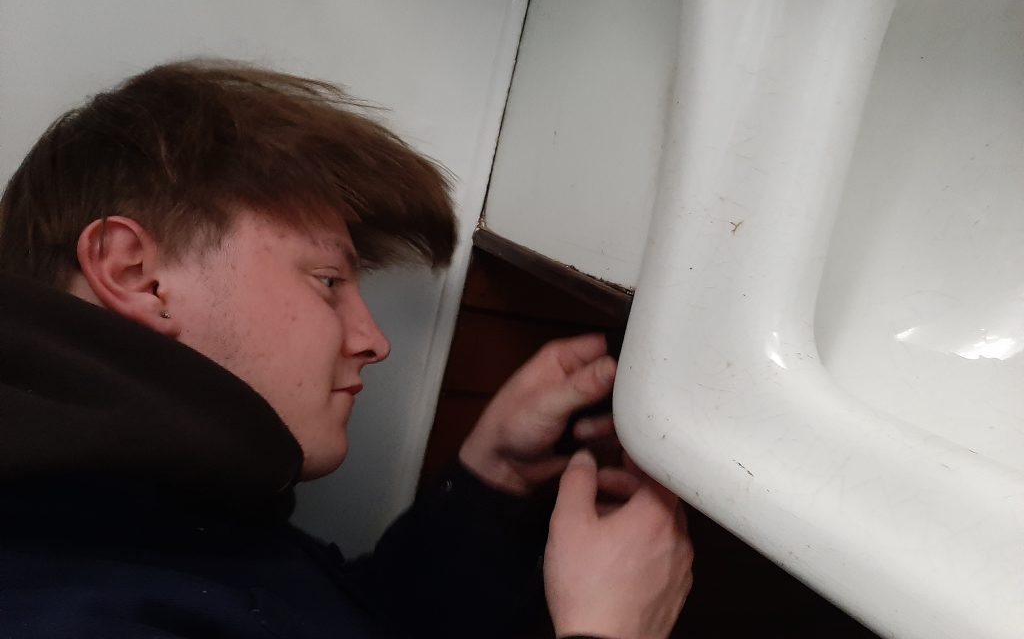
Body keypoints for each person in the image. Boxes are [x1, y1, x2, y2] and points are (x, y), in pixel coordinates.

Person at [0, 60, 693, 639]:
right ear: (134, 274)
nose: (374, 341)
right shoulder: (66, 605)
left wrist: (490, 482)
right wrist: (608, 630)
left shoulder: (156, 511)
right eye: (328, 281)